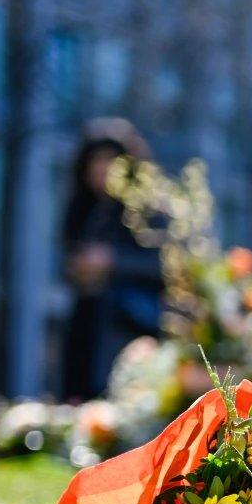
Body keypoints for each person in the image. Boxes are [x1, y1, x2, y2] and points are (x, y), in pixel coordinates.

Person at [60, 118, 164, 401]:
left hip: (129, 334)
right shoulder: (85, 210)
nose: (102, 169)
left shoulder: (149, 211)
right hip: (86, 327)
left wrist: (111, 261)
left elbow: (170, 264)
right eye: (95, 160)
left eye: (110, 160)